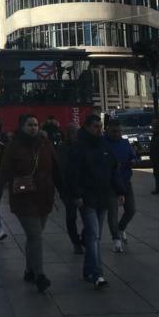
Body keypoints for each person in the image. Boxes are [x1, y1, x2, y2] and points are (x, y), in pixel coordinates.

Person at [0, 115, 59, 293]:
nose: (34, 128)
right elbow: (4, 171)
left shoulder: (45, 144)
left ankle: (29, 270)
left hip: (44, 196)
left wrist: (67, 193)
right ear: (22, 127)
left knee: (34, 236)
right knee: (36, 236)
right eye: (30, 125)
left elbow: (56, 168)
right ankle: (40, 276)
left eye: (36, 124)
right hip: (24, 197)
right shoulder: (14, 146)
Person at [68, 114, 123, 289]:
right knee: (93, 235)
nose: (99, 129)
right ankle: (98, 274)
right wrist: (76, 195)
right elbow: (73, 174)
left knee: (95, 236)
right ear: (86, 127)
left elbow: (113, 171)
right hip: (88, 198)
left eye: (100, 126)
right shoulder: (79, 147)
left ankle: (88, 270)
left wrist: (120, 191)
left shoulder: (104, 146)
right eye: (96, 126)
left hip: (103, 197)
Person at [103, 119, 138, 252]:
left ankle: (121, 228)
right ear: (107, 130)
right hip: (110, 183)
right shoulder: (103, 143)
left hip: (125, 181)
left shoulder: (124, 143)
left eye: (119, 131)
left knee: (131, 209)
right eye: (114, 131)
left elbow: (132, 157)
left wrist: (133, 160)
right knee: (113, 211)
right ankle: (116, 238)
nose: (117, 134)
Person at [57, 123, 83, 254]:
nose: (76, 136)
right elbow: (62, 170)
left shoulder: (81, 146)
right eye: (73, 133)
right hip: (68, 190)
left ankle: (81, 240)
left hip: (81, 188)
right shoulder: (63, 148)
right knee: (71, 216)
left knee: (87, 217)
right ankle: (76, 241)